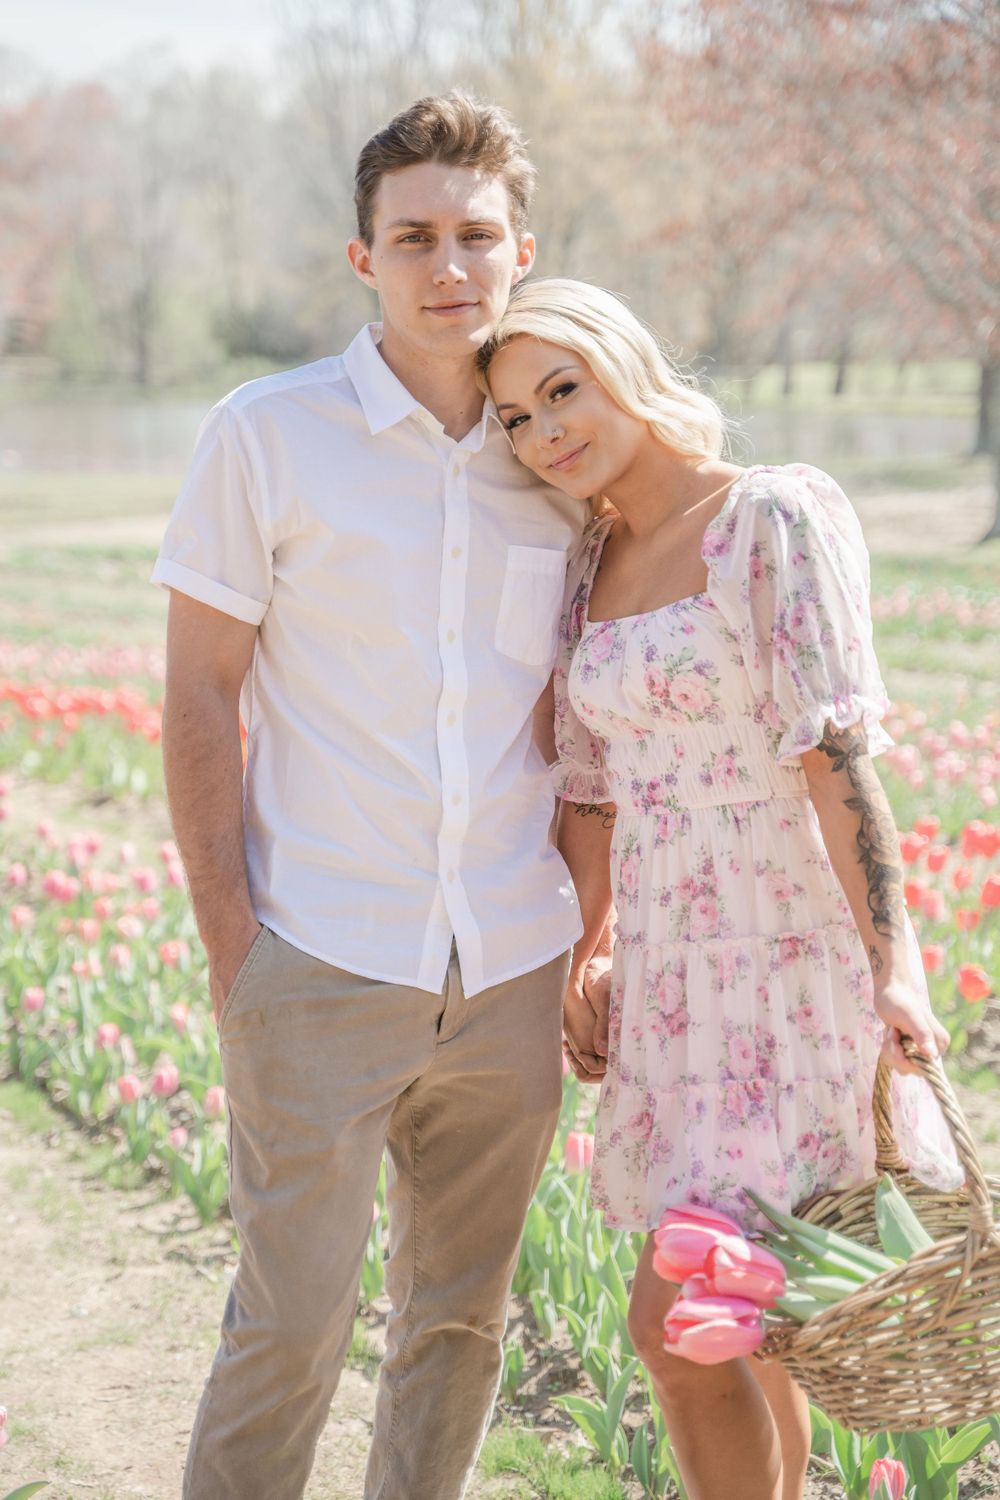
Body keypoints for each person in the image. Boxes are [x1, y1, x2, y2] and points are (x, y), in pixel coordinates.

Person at [152, 97, 598, 1500]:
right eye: (415, 237)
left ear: (522, 249)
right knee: (289, 1326)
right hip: (321, 951)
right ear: (363, 258)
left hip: (514, 960)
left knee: (460, 1325)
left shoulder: (562, 457)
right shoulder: (267, 434)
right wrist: (240, 947)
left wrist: (591, 934)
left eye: (475, 235)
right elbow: (194, 699)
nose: (446, 265)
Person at [479, 278, 960, 1500]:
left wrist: (893, 964)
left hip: (789, 964)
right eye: (517, 419)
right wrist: (591, 951)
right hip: (676, 981)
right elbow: (587, 789)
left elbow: (833, 754)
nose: (546, 433)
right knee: (736, 1328)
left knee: (674, 1328)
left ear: (622, 363)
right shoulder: (591, 561)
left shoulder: (768, 519)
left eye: (561, 390)